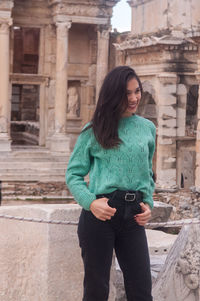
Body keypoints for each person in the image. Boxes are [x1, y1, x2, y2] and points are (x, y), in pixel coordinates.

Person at [66, 65, 156, 301]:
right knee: (96, 291)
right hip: (100, 216)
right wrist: (90, 203)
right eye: (127, 93)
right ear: (114, 94)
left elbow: (147, 173)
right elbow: (73, 175)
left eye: (137, 91)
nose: (134, 98)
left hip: (134, 217)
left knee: (142, 292)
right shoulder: (93, 129)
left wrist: (148, 204)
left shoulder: (148, 128)